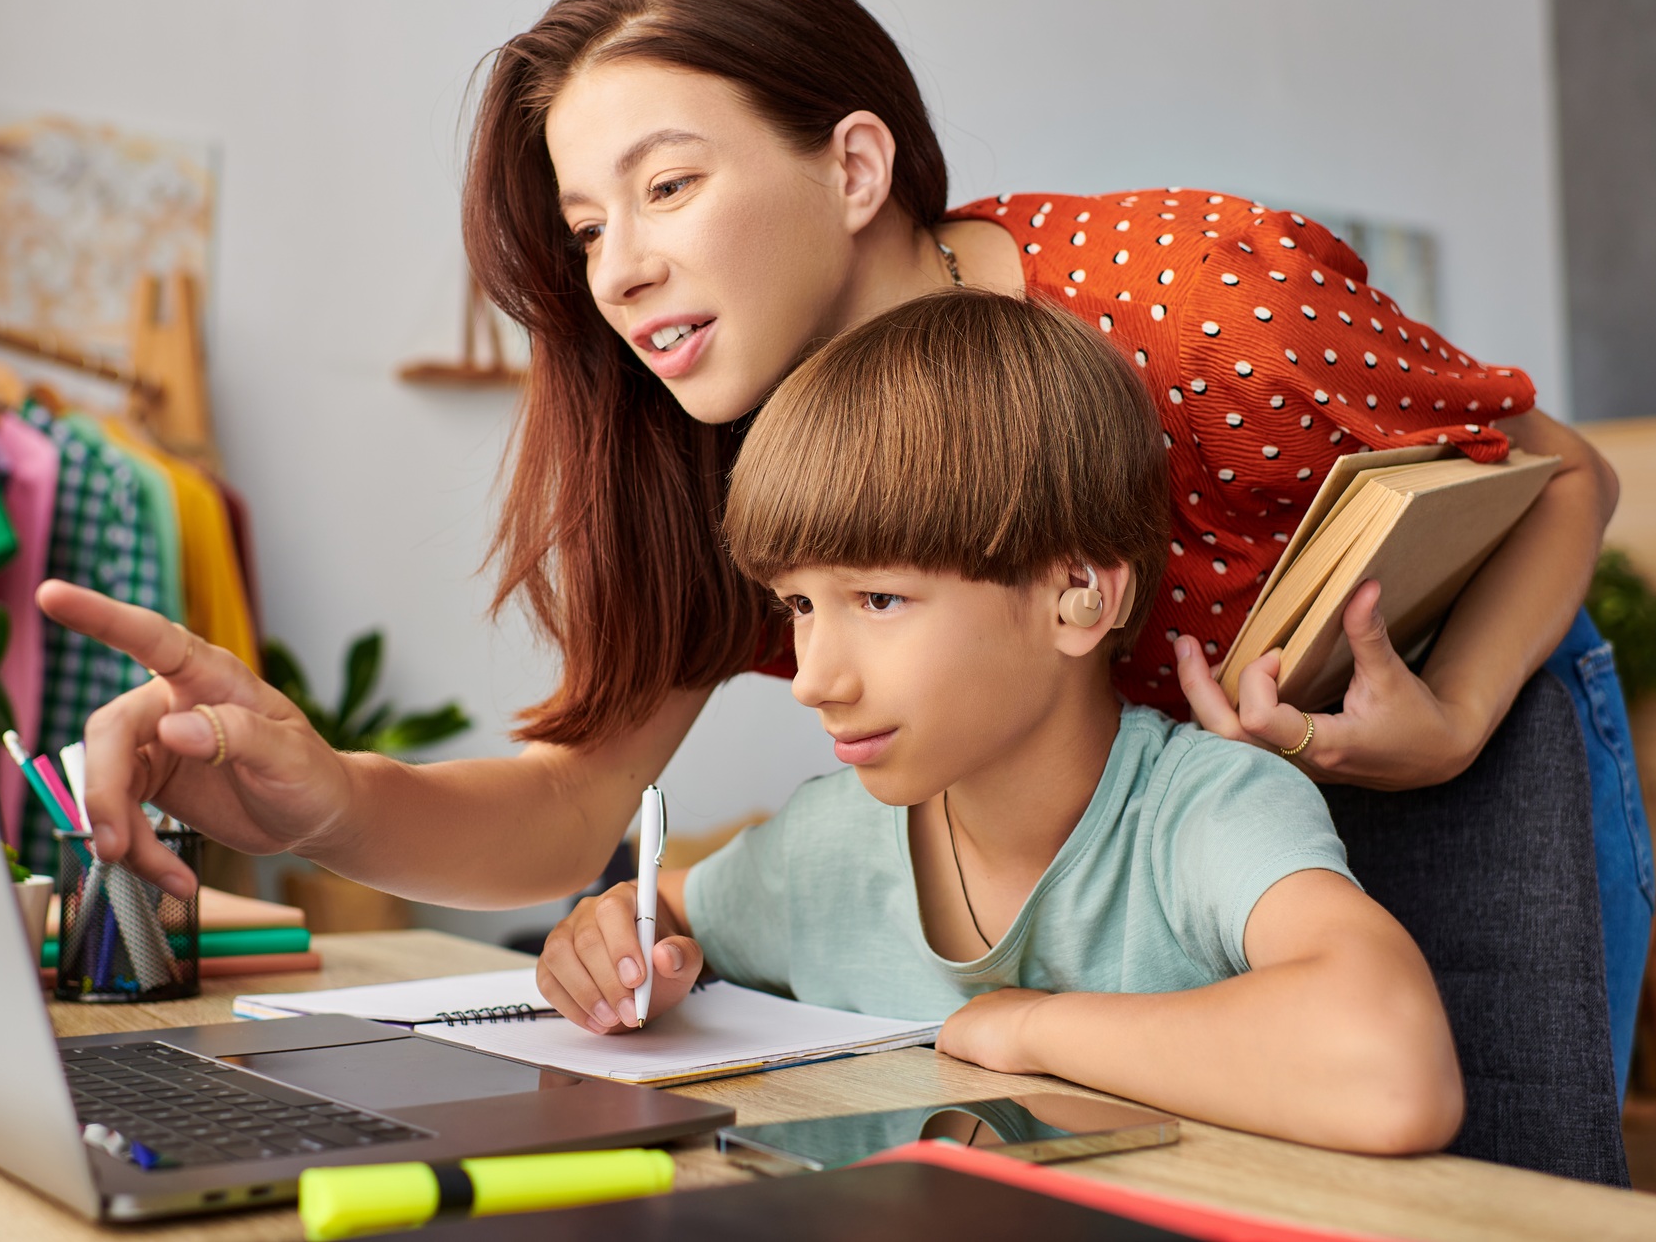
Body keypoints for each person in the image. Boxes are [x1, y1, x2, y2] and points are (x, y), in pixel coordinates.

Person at [37, 0, 1646, 1090]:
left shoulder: (1206, 300)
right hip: (1128, 824)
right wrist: (316, 801)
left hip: (1449, 728)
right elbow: (570, 801)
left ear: (856, 162)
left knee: (1497, 1176)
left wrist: (1449, 727)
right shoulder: (731, 451)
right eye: (589, 225)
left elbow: (1563, 471)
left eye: (668, 189)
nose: (620, 270)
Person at [535, 290, 1463, 1154]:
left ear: (1076, 596)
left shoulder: (1207, 811)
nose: (812, 678)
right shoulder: (827, 846)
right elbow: (660, 911)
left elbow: (1394, 1072)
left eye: (880, 598)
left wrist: (1029, 1024)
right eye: (799, 607)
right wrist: (612, 933)